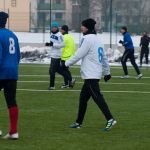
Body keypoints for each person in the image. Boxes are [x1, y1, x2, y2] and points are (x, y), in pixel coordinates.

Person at [65, 18, 116, 131]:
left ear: (87, 27)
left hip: (90, 75)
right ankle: (78, 122)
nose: (81, 28)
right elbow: (103, 57)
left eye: (83, 26)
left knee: (98, 97)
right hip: (94, 73)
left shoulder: (87, 39)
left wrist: (66, 64)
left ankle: (110, 119)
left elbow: (79, 54)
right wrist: (107, 72)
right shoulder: (98, 39)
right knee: (83, 99)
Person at [0, 12, 20, 139]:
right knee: (11, 101)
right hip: (12, 72)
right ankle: (13, 131)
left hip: (1, 71)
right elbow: (18, 56)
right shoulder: (12, 34)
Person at [45, 22, 68, 90]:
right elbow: (53, 43)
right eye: (52, 27)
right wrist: (49, 44)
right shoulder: (51, 33)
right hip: (53, 55)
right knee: (58, 70)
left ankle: (52, 86)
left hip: (56, 55)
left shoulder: (59, 35)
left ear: (57, 28)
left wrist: (53, 45)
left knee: (52, 71)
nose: (53, 28)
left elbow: (63, 44)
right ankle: (69, 78)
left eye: (54, 27)